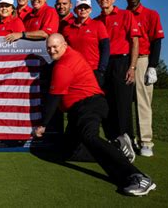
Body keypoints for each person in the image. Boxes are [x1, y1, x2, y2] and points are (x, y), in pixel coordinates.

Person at [34, 33, 156, 197]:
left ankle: (137, 177)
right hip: (80, 109)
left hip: (88, 105)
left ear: (64, 45)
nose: (51, 50)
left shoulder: (63, 66)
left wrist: (42, 124)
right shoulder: (70, 55)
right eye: (48, 48)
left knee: (89, 136)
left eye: (55, 46)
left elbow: (54, 99)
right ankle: (117, 149)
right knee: (68, 152)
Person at [94, 0, 140, 159]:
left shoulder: (126, 15)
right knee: (106, 103)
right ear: (98, 1)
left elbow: (135, 42)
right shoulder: (96, 20)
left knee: (122, 103)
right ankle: (113, 139)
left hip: (122, 61)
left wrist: (132, 67)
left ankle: (128, 140)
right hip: (104, 64)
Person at [125, 0, 165, 157]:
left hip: (142, 60)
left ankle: (146, 142)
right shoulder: (123, 14)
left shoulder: (151, 14)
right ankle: (128, 139)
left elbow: (156, 41)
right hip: (124, 60)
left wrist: (153, 66)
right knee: (124, 102)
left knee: (143, 102)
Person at [61, 0, 109, 88]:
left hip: (93, 70)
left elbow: (105, 48)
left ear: (90, 10)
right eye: (80, 7)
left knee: (93, 99)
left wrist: (101, 70)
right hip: (73, 70)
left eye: (86, 7)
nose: (83, 9)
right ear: (75, 10)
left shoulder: (98, 25)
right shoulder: (67, 28)